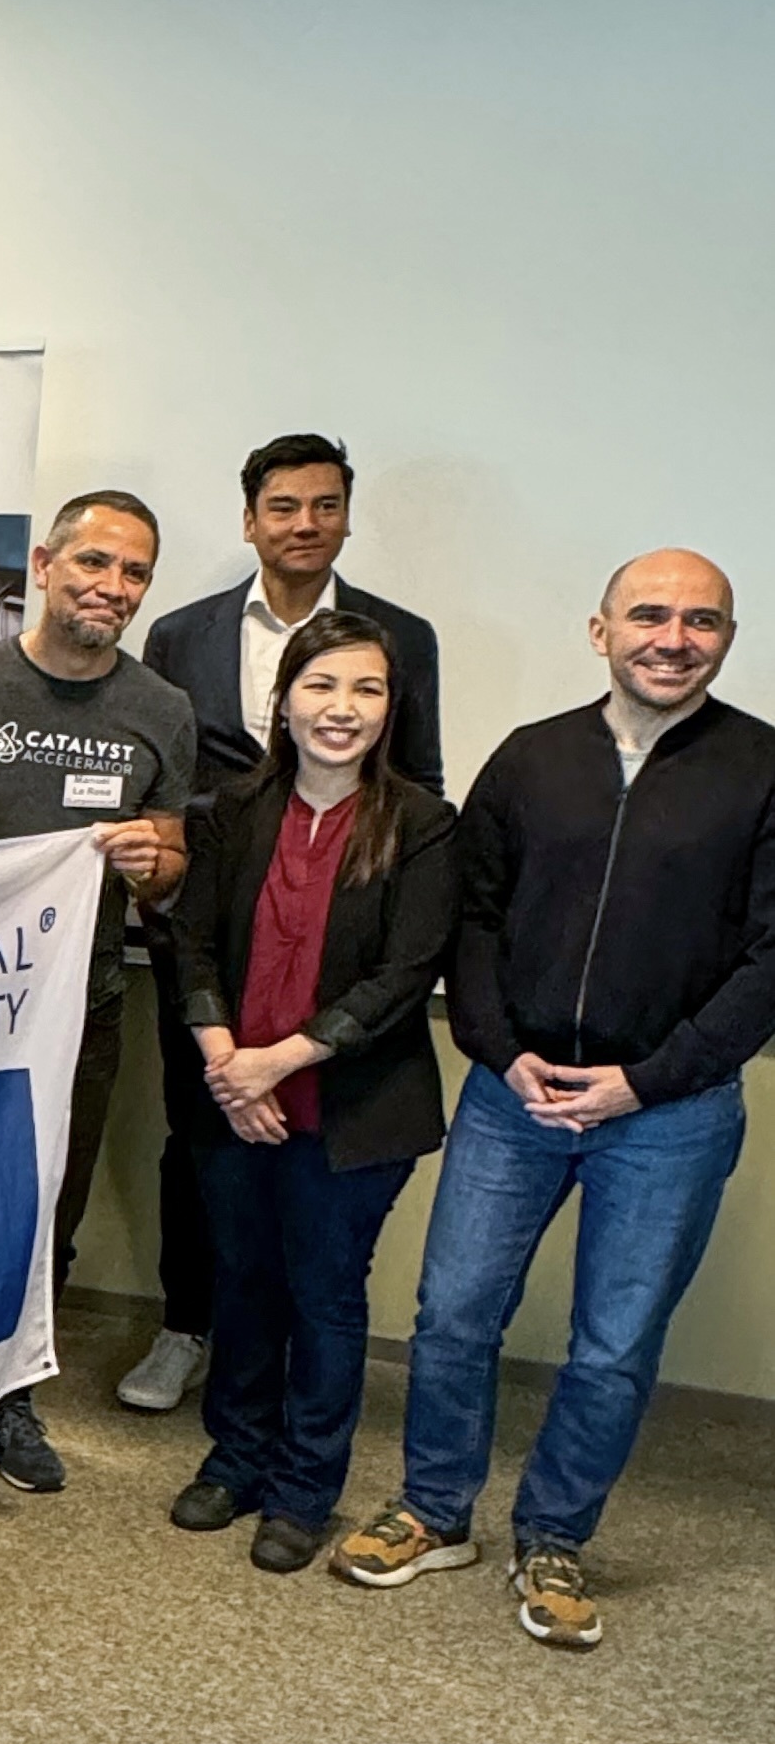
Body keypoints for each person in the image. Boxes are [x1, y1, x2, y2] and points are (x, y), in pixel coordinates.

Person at [332, 550, 775, 1649]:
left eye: (700, 621)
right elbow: (468, 920)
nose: (671, 638)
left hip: (668, 1113)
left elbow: (769, 960)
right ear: (598, 630)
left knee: (613, 1345)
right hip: (510, 1096)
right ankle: (435, 1512)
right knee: (451, 1318)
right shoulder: (530, 760)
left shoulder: (762, 769)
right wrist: (496, 1047)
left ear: (726, 637)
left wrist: (645, 1080)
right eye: (648, 616)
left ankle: (553, 1537)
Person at [127, 434, 447, 1416]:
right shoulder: (180, 633)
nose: (301, 524)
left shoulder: (399, 635)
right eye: (281, 506)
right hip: (215, 940)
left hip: (334, 936)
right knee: (199, 1144)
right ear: (248, 521)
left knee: (311, 1229)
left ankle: (287, 1416)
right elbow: (165, 787)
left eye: (321, 505)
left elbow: (420, 777)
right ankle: (188, 1326)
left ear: (344, 516)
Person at [0, 491, 195, 1505]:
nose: (109, 587)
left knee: (49, 1204)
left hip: (80, 1005)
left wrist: (147, 861)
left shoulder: (159, 710)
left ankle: (10, 1392)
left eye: (131, 574)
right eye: (91, 563)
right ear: (42, 565)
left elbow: (168, 865)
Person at [166, 616, 455, 1574]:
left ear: (390, 708)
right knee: (241, 1282)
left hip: (353, 1111)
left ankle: (301, 1488)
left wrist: (274, 1062)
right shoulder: (230, 813)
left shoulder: (421, 823)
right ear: (283, 699)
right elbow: (195, 944)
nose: (343, 709)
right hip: (232, 1100)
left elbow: (404, 973)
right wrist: (225, 1062)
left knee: (323, 1298)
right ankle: (237, 1456)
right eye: (323, 685)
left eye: (367, 690)